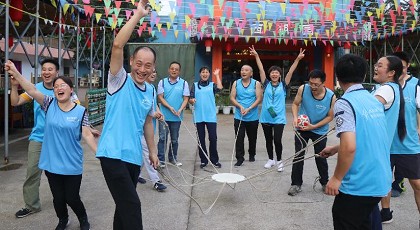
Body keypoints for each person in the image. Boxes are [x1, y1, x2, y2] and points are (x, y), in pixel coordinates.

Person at [5, 61, 97, 230]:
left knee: (72, 197)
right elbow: (30, 90)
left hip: (70, 160)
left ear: (71, 90)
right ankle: (63, 220)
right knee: (58, 198)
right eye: (56, 87)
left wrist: (100, 152)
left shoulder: (79, 109)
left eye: (63, 85)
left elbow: (85, 132)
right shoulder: (48, 103)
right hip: (50, 154)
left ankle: (83, 218)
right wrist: (15, 74)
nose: (59, 88)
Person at [95, 1, 159, 229]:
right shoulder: (118, 80)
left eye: (148, 66)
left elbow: (148, 122)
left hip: (133, 158)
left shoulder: (150, 90)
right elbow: (117, 45)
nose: (143, 69)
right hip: (112, 154)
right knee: (132, 206)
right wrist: (139, 15)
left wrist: (152, 152)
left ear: (153, 69)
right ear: (131, 62)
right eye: (139, 63)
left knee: (123, 209)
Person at [320, 54, 391, 229]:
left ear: (337, 77)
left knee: (345, 217)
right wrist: (337, 148)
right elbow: (372, 136)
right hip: (380, 180)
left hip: (359, 185)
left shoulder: (344, 103)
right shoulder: (373, 100)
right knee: (370, 220)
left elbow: (350, 147)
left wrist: (336, 178)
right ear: (363, 75)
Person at [380, 51, 420, 226]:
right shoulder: (382, 88)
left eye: (402, 67)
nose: (400, 71)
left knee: (417, 184)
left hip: (409, 146)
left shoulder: (416, 86)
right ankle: (386, 212)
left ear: (407, 66)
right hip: (386, 145)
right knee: (383, 181)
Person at [250, 46, 305, 172]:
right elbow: (261, 69)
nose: (274, 74)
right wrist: (256, 56)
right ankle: (271, 159)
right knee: (268, 140)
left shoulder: (284, 85)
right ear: (270, 75)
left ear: (280, 75)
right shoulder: (266, 84)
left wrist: (297, 59)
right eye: (272, 72)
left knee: (277, 140)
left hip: (279, 118)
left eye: (276, 72)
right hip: (265, 117)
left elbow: (291, 71)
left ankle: (279, 160)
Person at [370, 55, 406, 229]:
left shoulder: (385, 90)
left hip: (373, 148)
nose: (376, 67)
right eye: (376, 64)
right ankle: (384, 213)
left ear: (391, 72)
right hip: (379, 146)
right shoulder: (388, 88)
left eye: (380, 65)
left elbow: (366, 110)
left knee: (367, 198)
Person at [288, 69, 335, 196]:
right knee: (298, 156)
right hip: (302, 129)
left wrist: (313, 126)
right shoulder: (303, 89)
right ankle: (296, 184)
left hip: (319, 130)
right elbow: (295, 104)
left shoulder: (331, 96)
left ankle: (325, 182)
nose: (313, 87)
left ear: (323, 83)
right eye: (311, 83)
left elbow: (330, 117)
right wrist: (295, 118)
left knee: (321, 156)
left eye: (316, 84)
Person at [138, 70, 167, 192]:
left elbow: (153, 105)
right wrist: (153, 114)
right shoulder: (139, 89)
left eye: (155, 72)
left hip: (150, 127)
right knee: (147, 152)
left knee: (143, 154)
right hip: (140, 128)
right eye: (151, 72)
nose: (154, 74)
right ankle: (156, 180)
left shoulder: (152, 89)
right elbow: (142, 110)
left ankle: (136, 174)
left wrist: (159, 112)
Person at [189, 67, 223, 168]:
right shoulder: (195, 85)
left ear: (209, 74)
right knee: (201, 139)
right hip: (198, 116)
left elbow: (220, 88)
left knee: (213, 138)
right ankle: (204, 160)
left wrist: (217, 75)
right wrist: (192, 100)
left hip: (211, 116)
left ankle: (214, 160)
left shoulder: (212, 85)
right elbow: (190, 98)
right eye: (203, 72)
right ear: (200, 74)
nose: (205, 74)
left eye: (207, 72)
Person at [157, 61, 190, 167]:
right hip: (164, 116)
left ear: (179, 71)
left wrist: (180, 109)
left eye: (176, 69)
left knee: (174, 139)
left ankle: (173, 158)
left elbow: (186, 99)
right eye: (172, 68)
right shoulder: (162, 82)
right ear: (168, 70)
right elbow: (160, 97)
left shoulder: (184, 83)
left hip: (177, 117)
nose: (174, 70)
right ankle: (161, 160)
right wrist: (169, 107)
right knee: (163, 138)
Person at [230, 64, 263, 167]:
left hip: (252, 117)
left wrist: (249, 108)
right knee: (239, 138)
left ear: (251, 73)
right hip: (239, 116)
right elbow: (232, 98)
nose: (243, 72)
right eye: (242, 70)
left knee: (252, 138)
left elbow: (259, 98)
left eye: (246, 70)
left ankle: (252, 153)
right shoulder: (236, 83)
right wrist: (240, 106)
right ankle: (240, 158)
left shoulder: (256, 83)